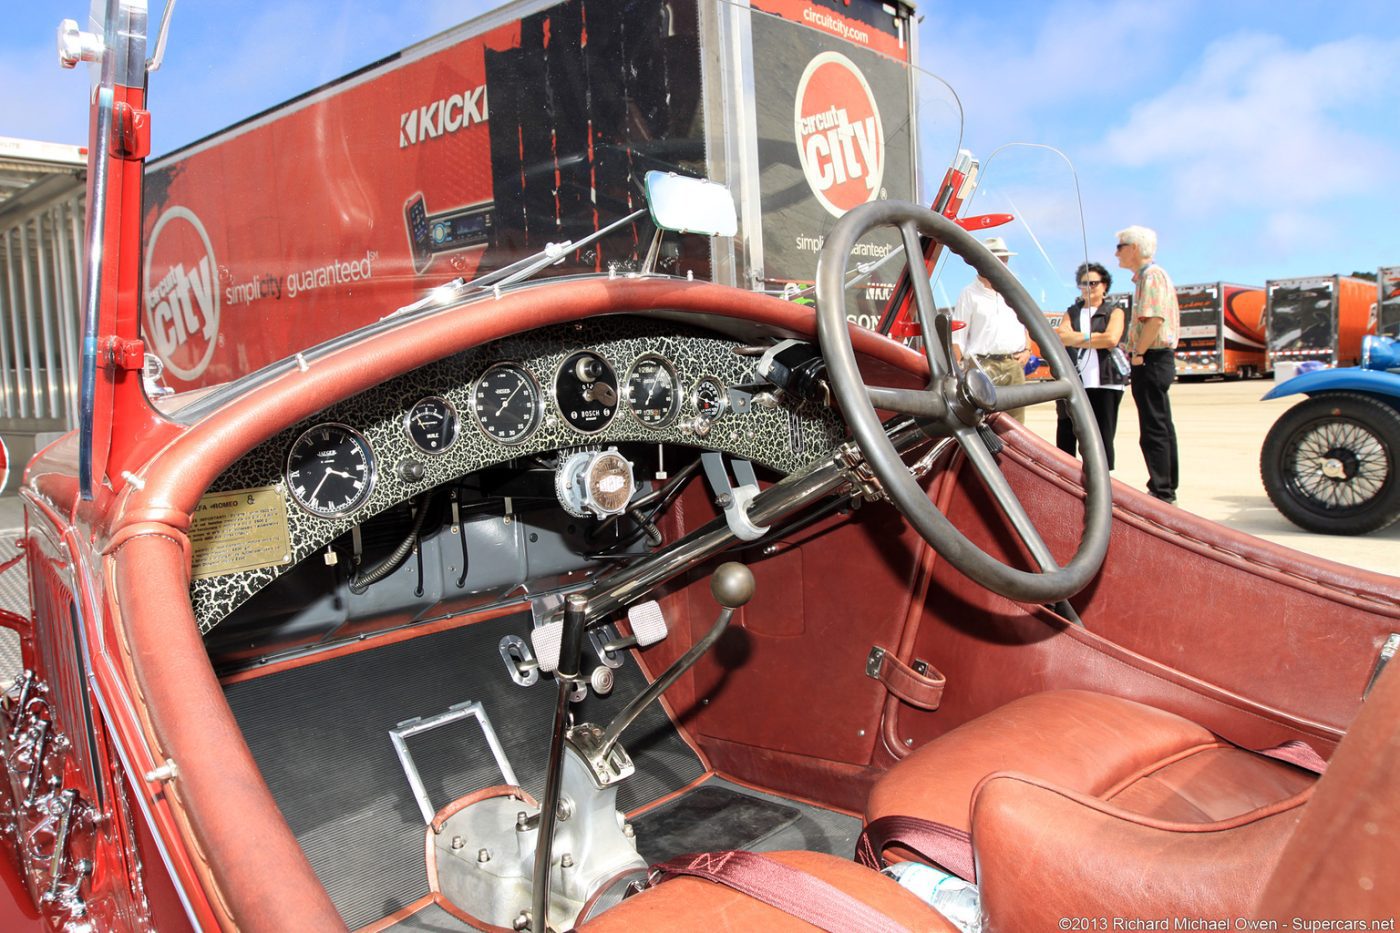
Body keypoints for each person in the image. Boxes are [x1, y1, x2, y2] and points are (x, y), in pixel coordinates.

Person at [1116, 225, 1180, 502]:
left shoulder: (1151, 277)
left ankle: (1161, 489)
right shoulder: (1148, 277)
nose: (1116, 254)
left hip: (1152, 358)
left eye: (1119, 247)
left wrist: (1139, 353)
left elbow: (1154, 319)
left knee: (1154, 427)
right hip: (1153, 358)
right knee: (1160, 423)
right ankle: (1164, 485)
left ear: (1133, 248)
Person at [1054, 261, 1127, 469]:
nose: (1087, 288)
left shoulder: (1114, 312)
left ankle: (1102, 479)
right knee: (1068, 428)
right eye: (1082, 284)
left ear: (1104, 285)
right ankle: (1066, 475)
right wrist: (1095, 338)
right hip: (1075, 381)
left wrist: (1077, 338)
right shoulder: (1072, 311)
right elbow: (1062, 336)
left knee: (1102, 434)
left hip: (1105, 382)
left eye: (1092, 283)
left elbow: (1111, 339)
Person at [951, 237, 1031, 422]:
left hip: (1014, 365)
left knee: (1016, 426)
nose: (1002, 264)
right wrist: (953, 372)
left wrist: (1027, 349)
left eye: (1004, 260)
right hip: (983, 366)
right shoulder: (969, 294)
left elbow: (1024, 323)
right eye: (998, 259)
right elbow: (958, 337)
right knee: (983, 422)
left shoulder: (1014, 289)